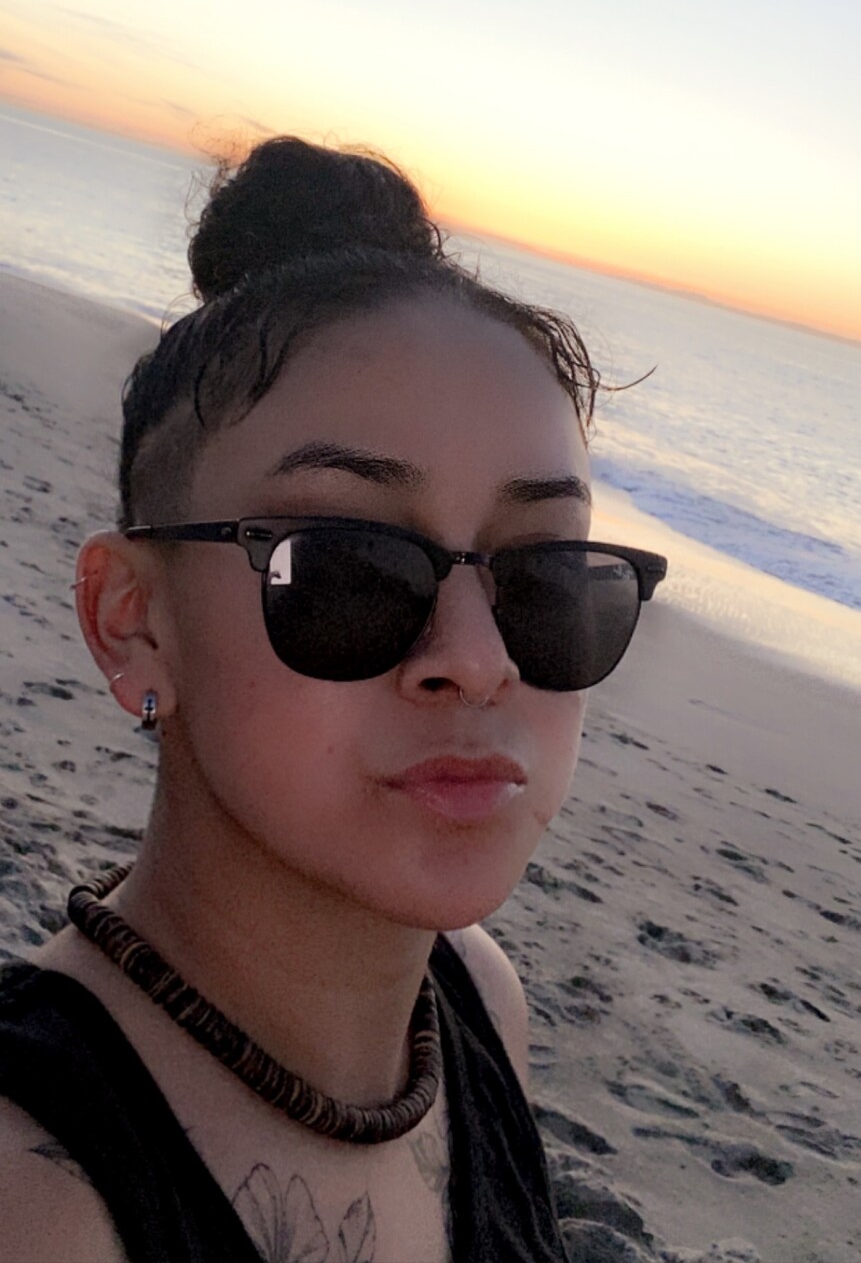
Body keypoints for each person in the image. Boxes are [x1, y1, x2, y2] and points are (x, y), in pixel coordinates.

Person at [0, 137, 666, 1262]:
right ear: (134, 622)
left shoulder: (477, 995)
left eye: (544, 575)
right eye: (348, 568)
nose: (477, 660)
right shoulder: (37, 1199)